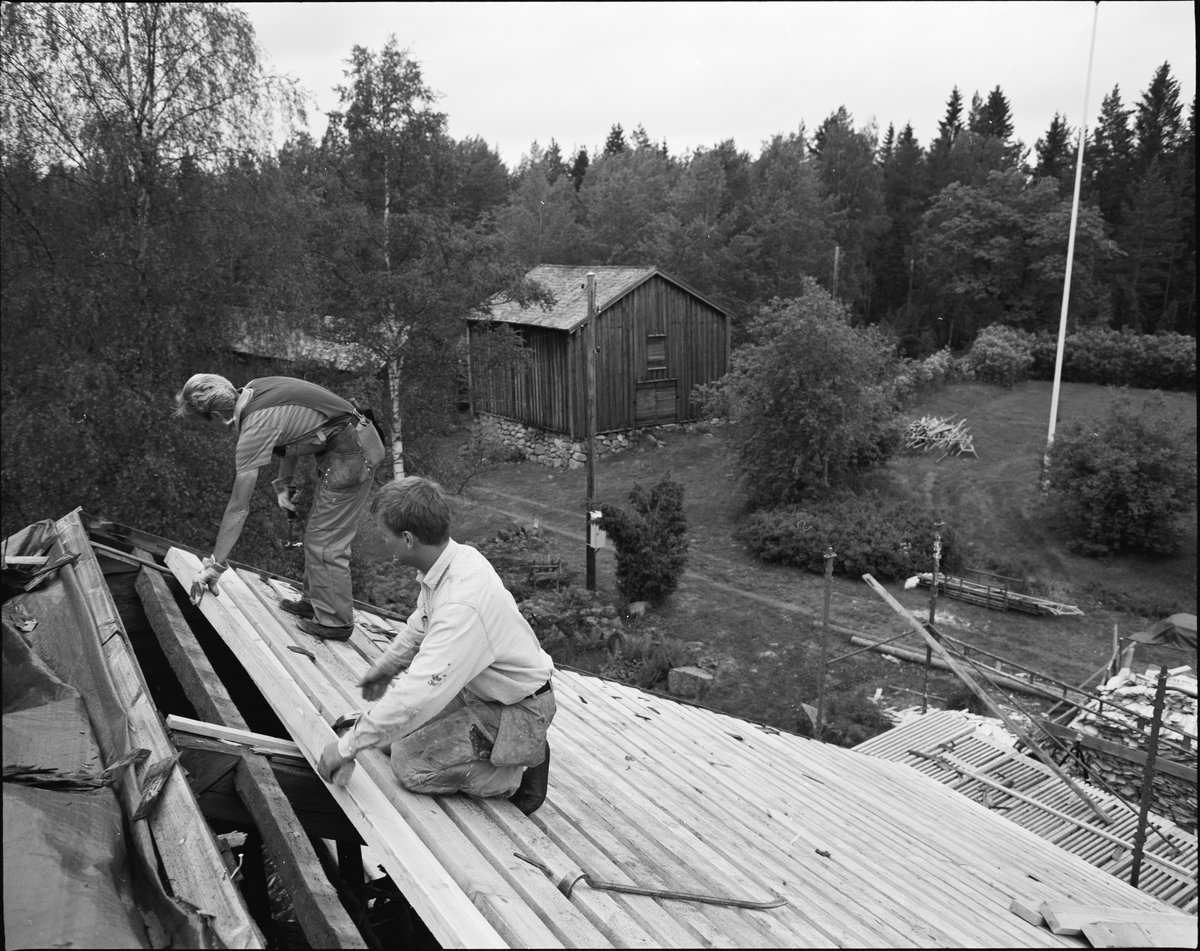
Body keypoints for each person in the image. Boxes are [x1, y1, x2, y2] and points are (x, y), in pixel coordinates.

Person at [316, 477, 556, 815]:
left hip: (517, 709)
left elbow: (419, 693)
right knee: (388, 738)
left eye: (385, 535)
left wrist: (347, 747)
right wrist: (388, 666)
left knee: (409, 764)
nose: (383, 541)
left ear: (409, 539)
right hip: (480, 691)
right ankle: (504, 752)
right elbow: (422, 622)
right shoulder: (453, 562)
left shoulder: (462, 604)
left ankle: (518, 773)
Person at [174, 373, 385, 640]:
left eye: (204, 424)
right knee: (319, 534)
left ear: (216, 416)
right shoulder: (255, 389)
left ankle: (335, 622)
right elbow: (291, 435)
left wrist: (215, 565)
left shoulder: (255, 426)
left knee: (326, 539)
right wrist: (283, 483)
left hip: (353, 452)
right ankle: (315, 603)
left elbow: (239, 507)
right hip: (349, 442)